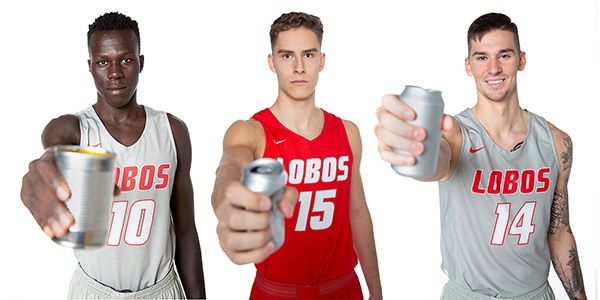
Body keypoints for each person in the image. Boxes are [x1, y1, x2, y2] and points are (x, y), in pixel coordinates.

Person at [375, 12, 586, 299]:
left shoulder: (557, 143)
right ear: (469, 65)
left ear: (521, 60)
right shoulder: (455, 134)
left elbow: (559, 230)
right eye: (482, 57)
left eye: (505, 55)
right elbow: (436, 163)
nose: (494, 68)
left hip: (535, 294)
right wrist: (413, 153)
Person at [20, 12, 206, 299]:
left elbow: (185, 231)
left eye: (126, 59)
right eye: (103, 62)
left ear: (141, 63)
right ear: (90, 66)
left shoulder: (172, 131)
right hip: (94, 290)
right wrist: (45, 166)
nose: (115, 72)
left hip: (160, 290)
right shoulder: (74, 129)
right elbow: (53, 147)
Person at [211, 11, 382, 299]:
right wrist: (227, 198)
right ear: (272, 62)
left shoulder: (348, 133)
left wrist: (376, 290)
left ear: (322, 61)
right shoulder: (251, 131)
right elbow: (230, 165)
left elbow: (358, 213)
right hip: (276, 292)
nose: (299, 67)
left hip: (343, 289)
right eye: (287, 56)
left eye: (309, 55)